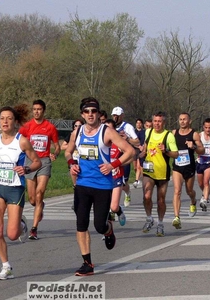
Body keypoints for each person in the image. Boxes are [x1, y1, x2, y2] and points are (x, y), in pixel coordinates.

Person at [65, 97, 133, 276]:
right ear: (82, 114)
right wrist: (72, 162)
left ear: (98, 113)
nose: (90, 115)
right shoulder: (77, 132)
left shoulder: (107, 131)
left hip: (102, 185)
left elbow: (130, 151)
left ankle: (108, 231)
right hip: (82, 183)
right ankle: (87, 263)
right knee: (81, 224)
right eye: (87, 111)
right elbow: (67, 151)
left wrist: (113, 165)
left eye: (93, 111)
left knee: (99, 226)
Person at [0, 105, 42, 280]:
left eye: (9, 118)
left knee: (12, 235)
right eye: (2, 118)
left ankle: (21, 224)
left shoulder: (22, 141)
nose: (5, 121)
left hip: (15, 190)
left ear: (15, 121)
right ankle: (6, 267)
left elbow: (37, 162)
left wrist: (26, 168)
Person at [19, 99, 60, 240]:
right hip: (30, 162)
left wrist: (55, 153)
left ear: (43, 111)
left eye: (39, 109)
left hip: (44, 162)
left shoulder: (50, 127)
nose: (36, 111)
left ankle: (34, 229)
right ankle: (39, 206)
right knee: (32, 199)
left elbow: (57, 145)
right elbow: (18, 141)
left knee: (40, 192)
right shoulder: (27, 127)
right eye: (34, 109)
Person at [140, 111, 178, 237]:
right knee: (146, 195)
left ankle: (160, 223)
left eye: (159, 121)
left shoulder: (168, 136)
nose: (157, 124)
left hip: (162, 172)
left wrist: (165, 150)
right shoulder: (148, 132)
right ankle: (149, 218)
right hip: (148, 171)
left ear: (164, 122)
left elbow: (176, 154)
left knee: (160, 200)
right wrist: (140, 153)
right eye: (155, 121)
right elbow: (145, 148)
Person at [171, 113, 204, 229]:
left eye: (185, 119)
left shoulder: (194, 134)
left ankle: (193, 201)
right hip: (177, 166)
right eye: (180, 119)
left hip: (189, 167)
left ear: (189, 121)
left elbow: (202, 150)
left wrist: (193, 146)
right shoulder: (174, 133)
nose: (182, 121)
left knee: (189, 191)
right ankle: (177, 217)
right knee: (177, 191)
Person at [111, 106, 140, 207]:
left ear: (122, 116)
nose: (115, 118)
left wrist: (127, 139)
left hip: (125, 158)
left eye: (117, 116)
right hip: (112, 157)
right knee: (112, 182)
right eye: (114, 116)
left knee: (123, 183)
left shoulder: (128, 127)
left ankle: (127, 193)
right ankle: (113, 206)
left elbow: (137, 142)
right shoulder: (109, 126)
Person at [104, 119, 126, 226]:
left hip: (116, 176)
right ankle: (108, 231)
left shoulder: (118, 143)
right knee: (105, 207)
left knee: (113, 207)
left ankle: (119, 211)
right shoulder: (100, 144)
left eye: (110, 128)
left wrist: (119, 163)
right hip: (103, 177)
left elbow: (131, 155)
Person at [61, 119, 83, 189]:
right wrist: (72, 145)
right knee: (74, 174)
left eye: (80, 126)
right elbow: (62, 147)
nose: (77, 127)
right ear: (73, 127)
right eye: (75, 126)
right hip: (74, 158)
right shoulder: (71, 135)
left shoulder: (86, 135)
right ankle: (75, 186)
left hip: (83, 158)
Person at [133, 118, 145, 188]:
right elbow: (132, 140)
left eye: (140, 123)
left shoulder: (144, 132)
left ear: (142, 124)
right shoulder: (133, 132)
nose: (138, 124)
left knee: (139, 166)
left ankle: (137, 180)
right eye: (137, 123)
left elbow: (145, 140)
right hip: (134, 150)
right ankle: (138, 176)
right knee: (135, 167)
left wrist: (142, 146)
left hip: (141, 150)